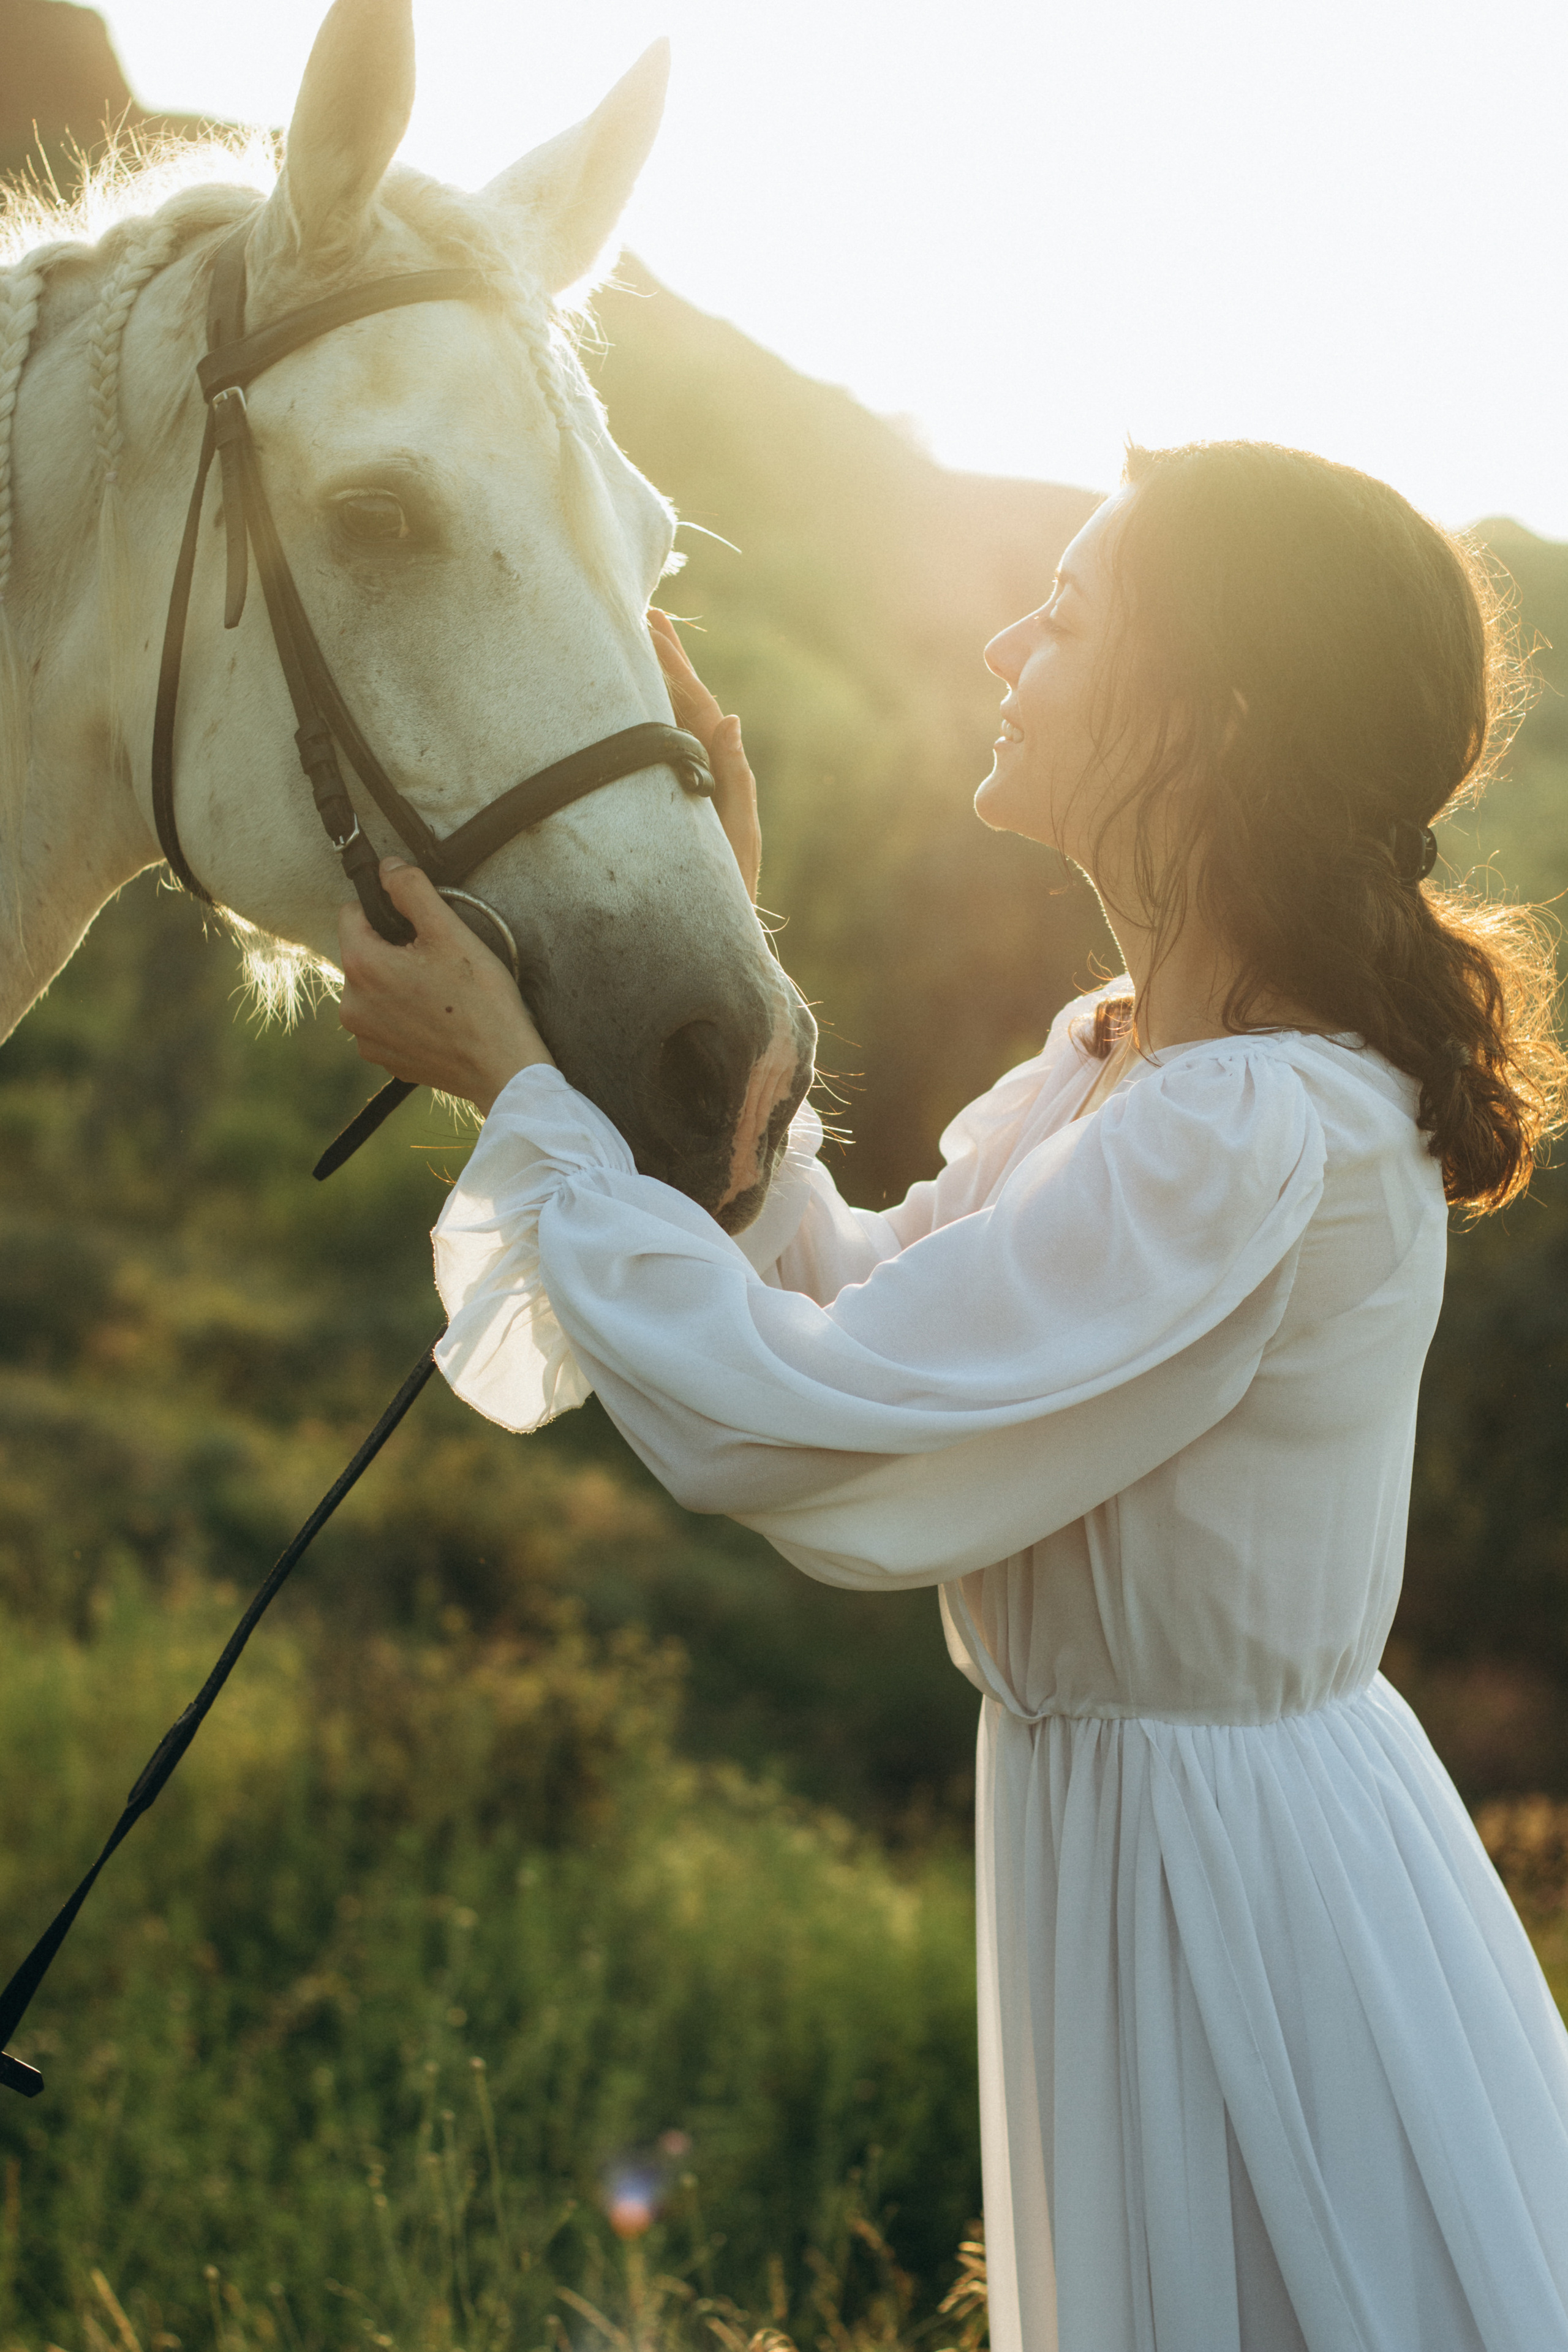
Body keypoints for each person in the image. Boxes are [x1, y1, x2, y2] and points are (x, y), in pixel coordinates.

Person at [336, 439, 1568, 2351]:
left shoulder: (1246, 1125)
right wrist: (713, 945)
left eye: (1068, 615)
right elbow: (868, 1313)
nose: (1006, 641)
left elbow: (802, 1415)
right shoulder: (1128, 1070)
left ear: (1208, 718)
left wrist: (526, 1103)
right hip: (1148, 1832)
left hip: (1233, 1890)